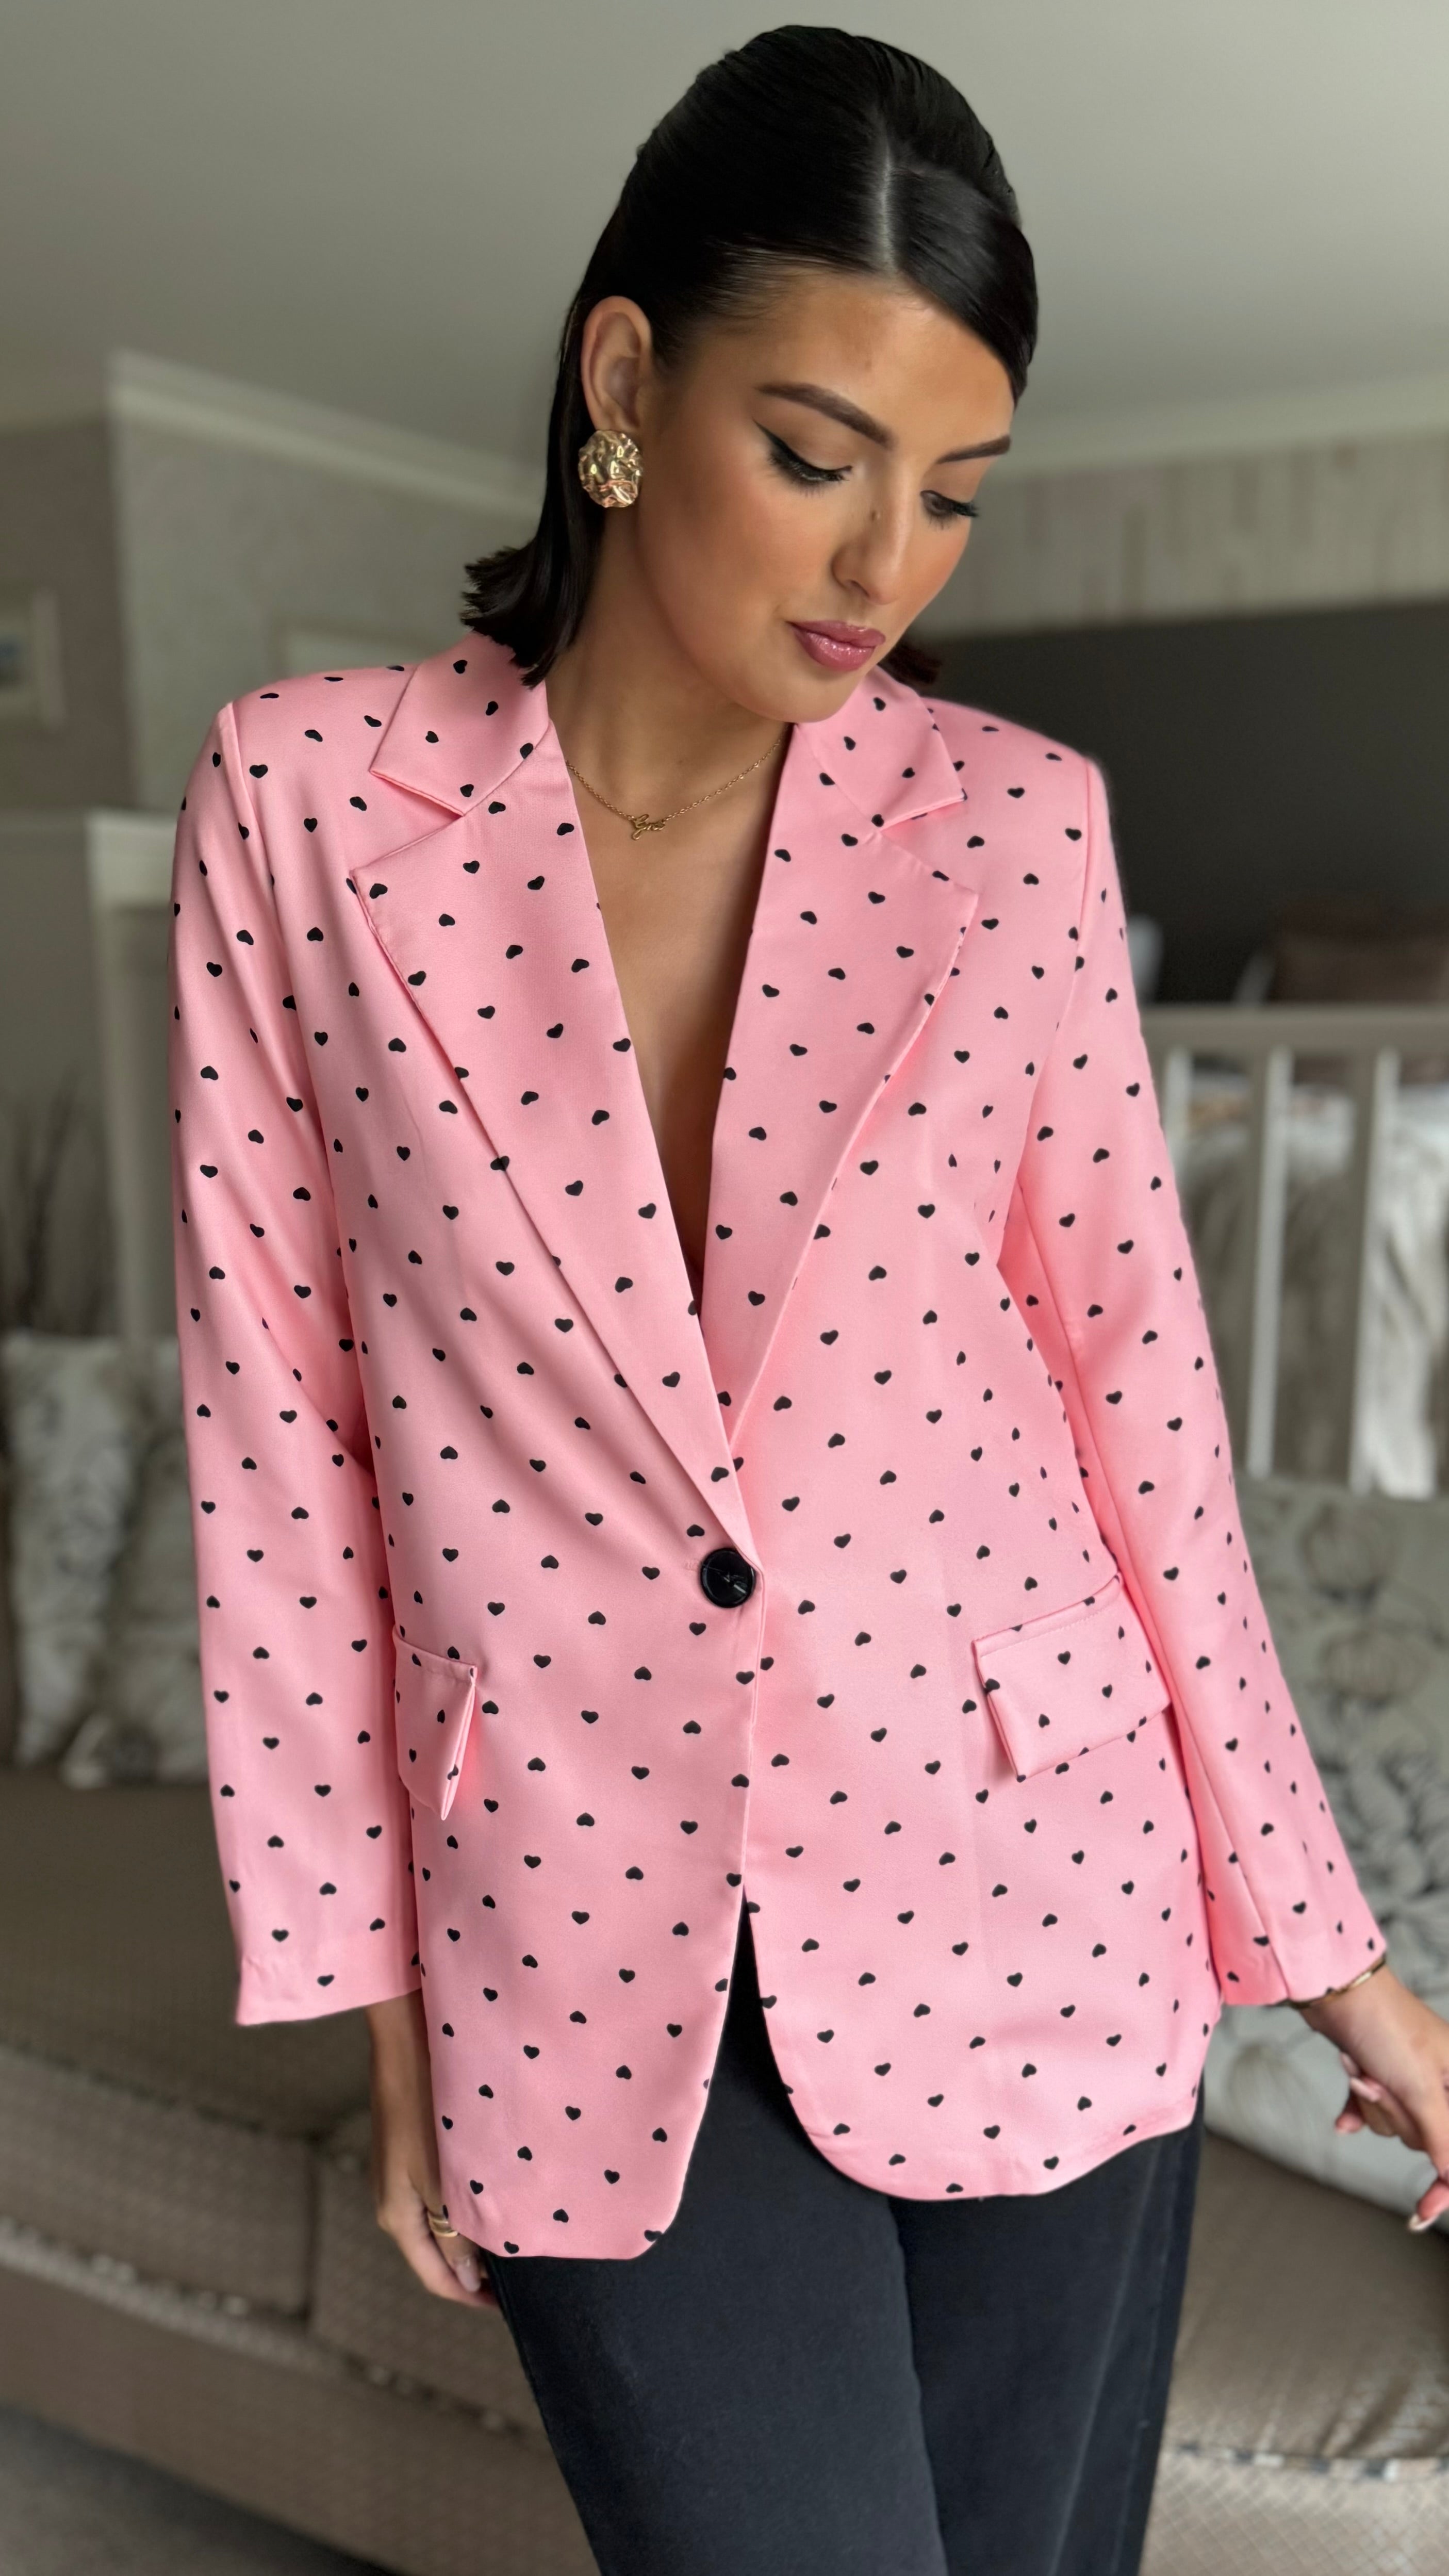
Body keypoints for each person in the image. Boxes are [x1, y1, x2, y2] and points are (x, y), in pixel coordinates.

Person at [168, 28, 1449, 2575]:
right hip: (576, 1938)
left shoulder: (1012, 835)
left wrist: (1332, 1956)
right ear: (625, 379)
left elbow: (1140, 1418)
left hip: (1039, 1891)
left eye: (953, 493)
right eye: (816, 453)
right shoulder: (305, 809)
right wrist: (391, 2015)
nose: (885, 566)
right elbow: (279, 1443)